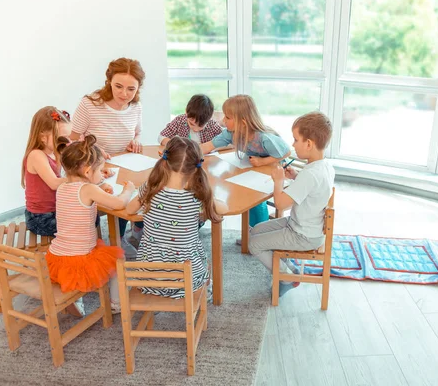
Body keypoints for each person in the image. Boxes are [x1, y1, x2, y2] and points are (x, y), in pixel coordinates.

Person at [126, 136, 227, 298]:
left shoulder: (151, 188)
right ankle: (205, 292)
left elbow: (130, 210)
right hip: (187, 280)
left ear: (165, 161)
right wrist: (210, 196)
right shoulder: (197, 196)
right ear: (195, 168)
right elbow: (224, 208)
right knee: (203, 263)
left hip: (149, 277)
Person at [248, 112, 335, 297]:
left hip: (302, 234)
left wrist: (278, 181)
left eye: (296, 140)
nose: (293, 144)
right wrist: (296, 176)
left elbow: (280, 204)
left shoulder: (310, 175)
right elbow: (315, 189)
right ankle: (287, 267)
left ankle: (286, 278)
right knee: (255, 231)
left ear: (309, 144)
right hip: (305, 226)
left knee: (253, 244)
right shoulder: (324, 166)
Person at [46, 135, 135, 313]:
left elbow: (79, 205)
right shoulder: (89, 189)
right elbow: (119, 204)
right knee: (117, 260)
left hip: (57, 256)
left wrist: (100, 190)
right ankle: (116, 304)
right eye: (100, 170)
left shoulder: (62, 187)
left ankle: (74, 295)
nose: (102, 174)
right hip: (81, 258)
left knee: (89, 260)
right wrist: (128, 190)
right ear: (87, 172)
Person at [70, 57, 146, 252]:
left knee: (146, 187)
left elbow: (137, 132)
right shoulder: (89, 104)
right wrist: (92, 150)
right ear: (109, 81)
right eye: (118, 86)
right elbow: (71, 139)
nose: (124, 94)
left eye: (131, 89)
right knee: (121, 196)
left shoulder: (136, 107)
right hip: (94, 169)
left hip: (126, 164)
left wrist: (136, 140)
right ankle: (118, 241)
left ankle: (138, 230)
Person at [200, 95, 290, 229]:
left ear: (242, 122)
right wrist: (185, 153)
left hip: (275, 170)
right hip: (254, 168)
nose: (223, 121)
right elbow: (208, 146)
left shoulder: (264, 138)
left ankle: (259, 231)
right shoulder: (230, 133)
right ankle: (251, 232)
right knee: (239, 190)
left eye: (228, 117)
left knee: (255, 197)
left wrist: (262, 161)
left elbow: (286, 152)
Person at [21, 106, 72, 236]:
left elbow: (73, 170)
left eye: (68, 137)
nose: (67, 142)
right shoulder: (36, 155)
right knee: (86, 220)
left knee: (90, 215)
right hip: (39, 218)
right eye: (62, 138)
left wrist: (93, 170)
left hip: (54, 210)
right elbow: (54, 183)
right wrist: (82, 178)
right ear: (43, 137)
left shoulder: (55, 151)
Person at [158, 94, 223, 147]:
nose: (196, 129)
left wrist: (211, 147)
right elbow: (161, 137)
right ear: (186, 111)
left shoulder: (212, 124)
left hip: (207, 159)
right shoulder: (180, 121)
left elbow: (228, 141)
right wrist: (176, 146)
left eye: (201, 126)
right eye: (192, 124)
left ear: (209, 118)